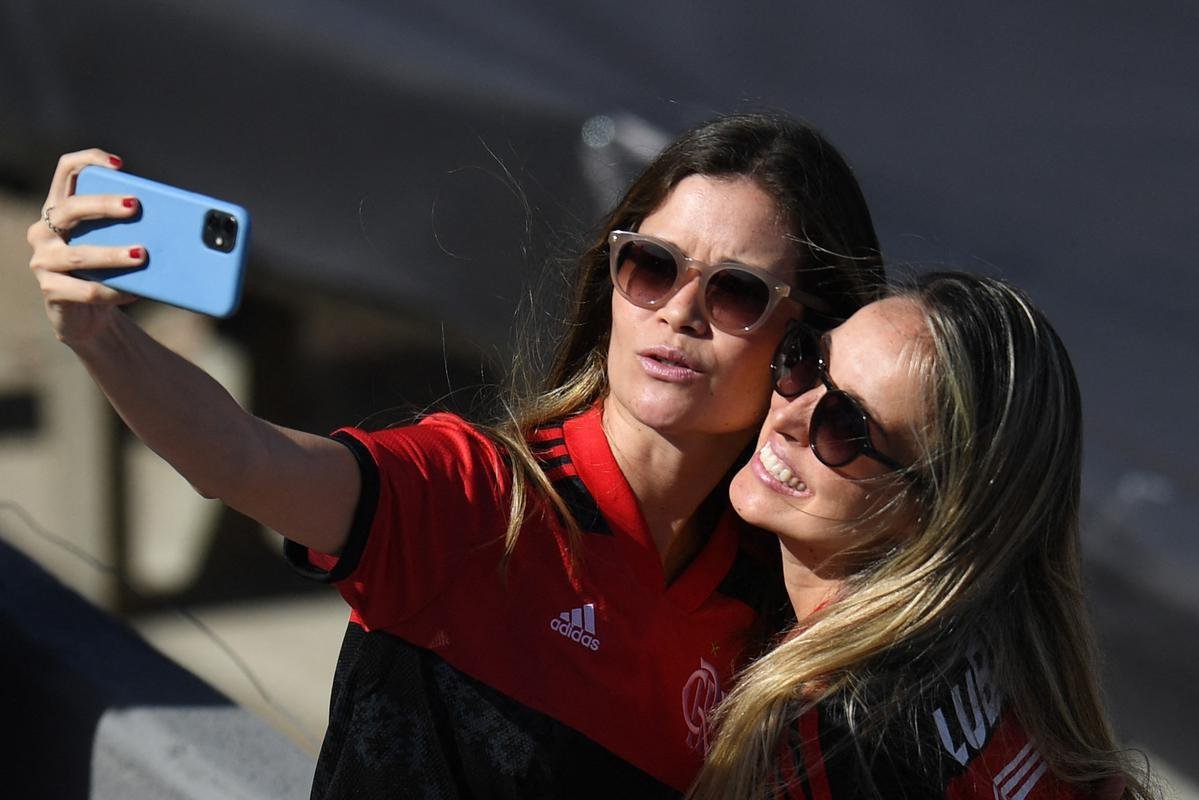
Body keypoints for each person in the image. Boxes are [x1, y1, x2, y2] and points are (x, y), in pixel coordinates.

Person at [26, 113, 885, 797]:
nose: (677, 313)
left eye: (735, 291)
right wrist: (101, 338)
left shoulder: (782, 593)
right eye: (652, 267)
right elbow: (244, 462)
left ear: (804, 344)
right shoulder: (481, 493)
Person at [687, 272, 1156, 799]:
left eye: (845, 425)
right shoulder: (1008, 653)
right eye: (806, 361)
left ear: (935, 514)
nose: (790, 415)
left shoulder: (834, 734)